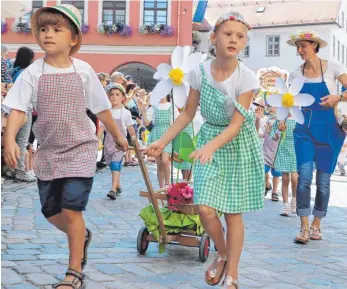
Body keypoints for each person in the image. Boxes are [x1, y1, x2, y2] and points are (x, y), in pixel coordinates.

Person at [2, 5, 128, 289]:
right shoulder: (34, 72)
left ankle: (73, 272)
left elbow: (101, 107)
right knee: (51, 211)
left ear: (72, 39)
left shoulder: (83, 70)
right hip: (48, 152)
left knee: (72, 210)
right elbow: (18, 110)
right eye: (44, 29)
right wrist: (10, 139)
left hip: (81, 148)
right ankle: (80, 236)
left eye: (57, 29)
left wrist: (118, 135)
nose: (48, 35)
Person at [146, 11, 264, 289]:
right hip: (210, 137)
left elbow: (236, 125)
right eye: (227, 34)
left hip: (237, 146)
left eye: (240, 36)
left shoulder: (246, 78)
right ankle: (222, 253)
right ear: (213, 37)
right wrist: (162, 141)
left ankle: (232, 272)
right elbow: (187, 114)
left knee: (233, 213)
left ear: (244, 42)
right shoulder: (199, 73)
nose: (233, 40)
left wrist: (210, 146)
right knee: (206, 209)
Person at [286, 31, 347, 244]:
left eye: (303, 46)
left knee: (323, 182)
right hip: (304, 130)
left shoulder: (332, 67)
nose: (300, 50)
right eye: (298, 46)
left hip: (329, 131)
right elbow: (290, 100)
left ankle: (317, 224)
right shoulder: (295, 73)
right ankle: (303, 226)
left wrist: (338, 97)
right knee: (303, 178)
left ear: (314, 46)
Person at [97, 83, 135, 200]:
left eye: (117, 94)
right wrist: (96, 139)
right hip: (108, 144)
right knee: (112, 165)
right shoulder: (107, 112)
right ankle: (118, 186)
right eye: (112, 94)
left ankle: (113, 190)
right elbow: (102, 128)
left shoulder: (126, 113)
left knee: (115, 164)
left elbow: (131, 129)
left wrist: (134, 139)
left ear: (123, 97)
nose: (114, 97)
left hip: (120, 144)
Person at [5, 47, 36, 182]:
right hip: (24, 110)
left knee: (12, 139)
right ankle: (20, 170)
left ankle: (10, 168)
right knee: (22, 141)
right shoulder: (26, 73)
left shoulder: (14, 71)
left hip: (12, 110)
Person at [139, 95, 179, 188]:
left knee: (165, 161)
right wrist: (143, 111)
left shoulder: (172, 106)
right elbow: (147, 123)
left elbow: (177, 121)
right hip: (156, 135)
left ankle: (168, 184)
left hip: (167, 135)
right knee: (160, 163)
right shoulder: (153, 107)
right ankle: (161, 187)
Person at [270, 118, 298, 216]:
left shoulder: (299, 118)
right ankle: (285, 206)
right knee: (285, 179)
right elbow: (274, 137)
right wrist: (278, 130)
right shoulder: (280, 119)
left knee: (295, 178)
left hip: (296, 151)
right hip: (283, 151)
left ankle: (294, 200)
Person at [258, 104, 282, 201]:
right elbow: (262, 134)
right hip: (266, 151)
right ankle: (267, 184)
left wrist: (270, 131)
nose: (272, 108)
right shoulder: (266, 120)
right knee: (263, 170)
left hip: (277, 152)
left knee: (276, 174)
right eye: (270, 106)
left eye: (274, 106)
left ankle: (275, 192)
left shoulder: (282, 121)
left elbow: (279, 137)